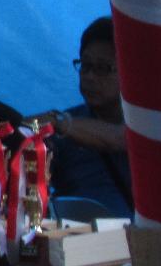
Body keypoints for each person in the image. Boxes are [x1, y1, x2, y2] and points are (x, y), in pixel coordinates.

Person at [37, 15, 133, 217]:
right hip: (72, 241)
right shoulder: (63, 125)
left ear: (129, 72)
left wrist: (59, 123)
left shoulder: (146, 124)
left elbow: (118, 138)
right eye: (85, 66)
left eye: (102, 68)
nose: (89, 76)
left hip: (134, 242)